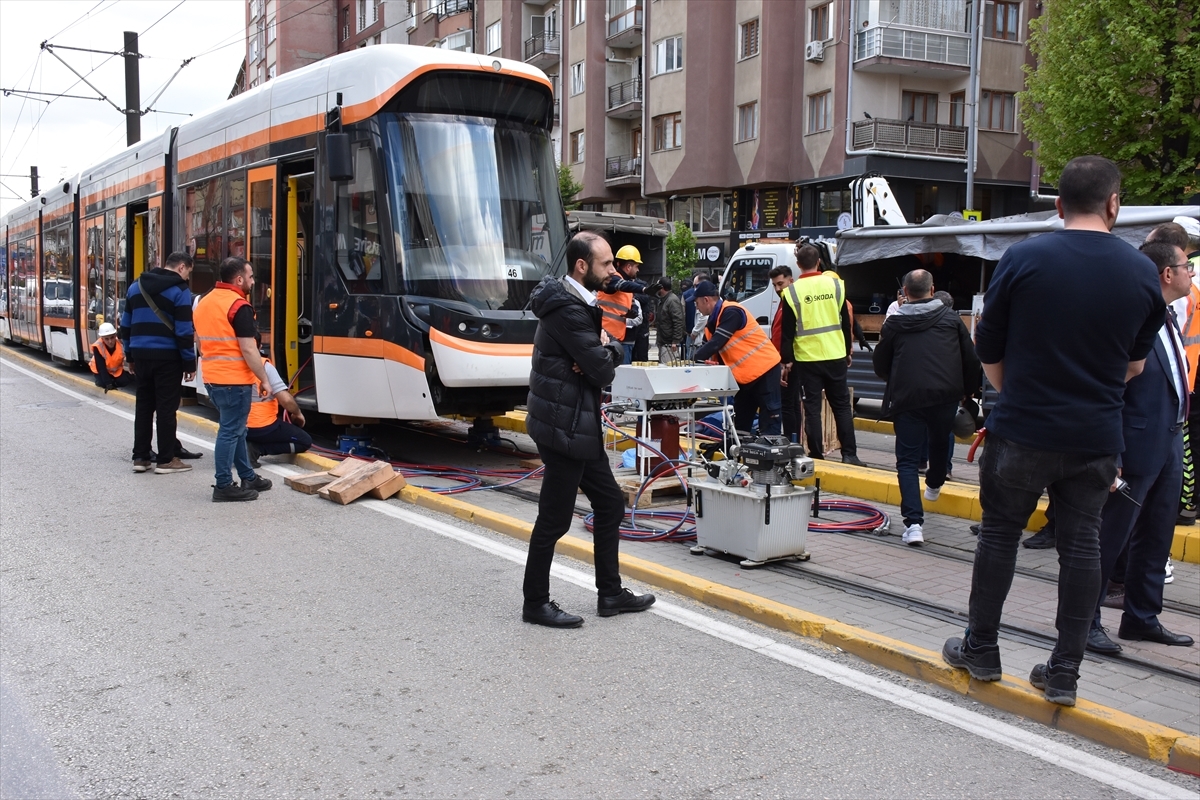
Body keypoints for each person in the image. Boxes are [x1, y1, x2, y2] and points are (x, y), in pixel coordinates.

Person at [942, 155, 1166, 707]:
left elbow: (987, 347)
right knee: (1083, 545)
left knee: (999, 537)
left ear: (1059, 204)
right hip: (1095, 436)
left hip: (1023, 428)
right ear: (1114, 204)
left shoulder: (1023, 258)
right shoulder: (1141, 271)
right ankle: (1064, 671)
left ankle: (982, 648)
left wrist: (1016, 389)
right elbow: (1134, 367)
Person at [522, 231, 656, 627]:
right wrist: (609, 350)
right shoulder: (569, 309)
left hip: (577, 423)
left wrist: (601, 349)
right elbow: (600, 369)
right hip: (564, 427)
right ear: (582, 266)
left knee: (611, 503)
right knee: (554, 519)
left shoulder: (580, 302)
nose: (613, 271)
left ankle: (610, 594)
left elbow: (595, 363)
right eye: (607, 264)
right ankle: (535, 603)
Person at [1085, 241, 1196, 655]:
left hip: (1169, 438)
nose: (1191, 274)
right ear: (1167, 273)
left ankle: (1141, 617)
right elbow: (1110, 389)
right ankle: (1088, 619)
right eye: (1187, 266)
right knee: (1111, 536)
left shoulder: (1166, 317)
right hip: (1134, 445)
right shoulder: (1133, 318)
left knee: (1157, 535)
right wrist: (1111, 455)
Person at [873, 269, 980, 546]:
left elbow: (880, 364)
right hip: (945, 396)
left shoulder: (894, 323)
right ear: (932, 290)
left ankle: (914, 525)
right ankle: (935, 482)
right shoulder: (952, 319)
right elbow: (970, 359)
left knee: (907, 461)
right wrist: (967, 392)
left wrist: (897, 379)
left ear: (905, 293)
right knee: (939, 442)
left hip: (907, 399)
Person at [194, 257, 274, 502]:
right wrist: (264, 379)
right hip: (234, 380)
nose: (252, 281)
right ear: (239, 279)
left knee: (237, 429)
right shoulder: (239, 306)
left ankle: (248, 476)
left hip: (212, 377)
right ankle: (223, 485)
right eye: (250, 277)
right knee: (230, 431)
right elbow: (249, 350)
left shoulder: (204, 303)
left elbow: (198, 343)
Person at [779, 243, 863, 465]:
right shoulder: (836, 286)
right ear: (818, 262)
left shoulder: (791, 292)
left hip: (807, 359)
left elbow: (787, 333)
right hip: (835, 354)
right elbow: (845, 321)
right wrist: (847, 350)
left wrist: (786, 362)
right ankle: (850, 454)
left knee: (812, 409)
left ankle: (816, 456)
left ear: (798, 265)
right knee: (842, 406)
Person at [119, 251, 197, 475]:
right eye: (188, 273)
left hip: (141, 356)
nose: (187, 278)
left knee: (143, 407)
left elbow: (126, 325)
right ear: (182, 267)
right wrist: (189, 364)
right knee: (166, 408)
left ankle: (141, 457)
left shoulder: (136, 286)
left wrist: (130, 356)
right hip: (167, 358)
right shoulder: (180, 290)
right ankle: (166, 459)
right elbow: (183, 330)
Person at [693, 281, 782, 435]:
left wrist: (692, 360)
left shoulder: (731, 311)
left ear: (706, 300)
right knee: (741, 423)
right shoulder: (712, 324)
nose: (696, 306)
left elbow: (715, 343)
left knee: (769, 418)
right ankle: (739, 454)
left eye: (697, 302)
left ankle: (770, 455)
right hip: (744, 378)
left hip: (765, 370)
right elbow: (709, 350)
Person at [245, 335, 311, 466]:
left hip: (238, 426)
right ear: (259, 347)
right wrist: (298, 413)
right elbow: (285, 400)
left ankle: (244, 446)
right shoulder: (264, 366)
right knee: (304, 441)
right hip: (263, 426)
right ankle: (257, 449)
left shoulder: (231, 367)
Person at [769, 265, 804, 443]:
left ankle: (792, 441)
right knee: (792, 404)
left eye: (780, 283)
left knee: (788, 405)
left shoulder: (791, 302)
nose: (777, 288)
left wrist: (786, 361)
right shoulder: (784, 301)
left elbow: (789, 333)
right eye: (774, 285)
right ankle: (794, 440)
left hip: (788, 360)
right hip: (785, 359)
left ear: (791, 281)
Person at [596, 244, 647, 364]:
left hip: (617, 339)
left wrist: (632, 310)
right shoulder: (613, 279)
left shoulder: (625, 285)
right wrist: (643, 289)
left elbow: (628, 300)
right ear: (628, 267)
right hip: (606, 339)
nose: (638, 270)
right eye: (636, 266)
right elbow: (622, 285)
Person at [90, 322, 133, 393]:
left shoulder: (120, 344)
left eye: (112, 337)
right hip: (99, 371)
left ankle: (113, 381)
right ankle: (104, 381)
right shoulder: (98, 347)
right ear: (102, 339)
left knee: (125, 381)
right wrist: (108, 384)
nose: (110, 341)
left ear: (115, 335)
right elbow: (101, 368)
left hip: (115, 370)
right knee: (103, 383)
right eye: (106, 339)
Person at [652, 277, 684, 363]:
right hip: (664, 342)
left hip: (670, 344)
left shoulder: (672, 301)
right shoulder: (664, 300)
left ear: (661, 288)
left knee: (669, 368)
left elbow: (678, 321)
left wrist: (675, 341)